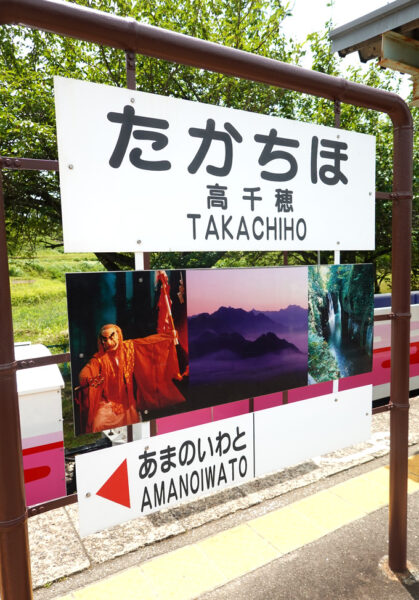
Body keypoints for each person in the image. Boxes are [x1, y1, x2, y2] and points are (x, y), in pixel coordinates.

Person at [76, 272, 187, 433]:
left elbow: (149, 343)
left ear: (118, 336)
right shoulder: (99, 359)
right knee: (98, 423)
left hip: (127, 402)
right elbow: (87, 370)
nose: (108, 342)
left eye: (111, 337)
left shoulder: (128, 348)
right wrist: (86, 377)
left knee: (133, 423)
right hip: (107, 403)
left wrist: (168, 337)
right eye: (104, 339)